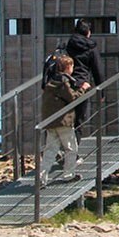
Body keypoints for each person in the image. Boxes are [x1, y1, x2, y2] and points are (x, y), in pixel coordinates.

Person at [39, 54, 90, 186]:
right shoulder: (63, 82)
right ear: (68, 67)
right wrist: (83, 88)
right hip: (64, 121)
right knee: (71, 148)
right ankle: (68, 175)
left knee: (50, 150)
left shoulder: (50, 81)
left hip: (51, 121)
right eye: (72, 66)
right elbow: (72, 97)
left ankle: (41, 178)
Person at [66, 19, 104, 141]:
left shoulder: (69, 44)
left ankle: (64, 148)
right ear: (88, 32)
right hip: (82, 84)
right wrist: (101, 92)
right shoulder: (91, 47)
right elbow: (97, 70)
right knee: (78, 120)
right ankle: (74, 149)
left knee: (65, 119)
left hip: (66, 84)